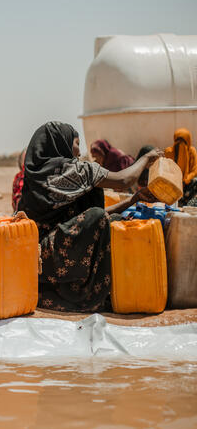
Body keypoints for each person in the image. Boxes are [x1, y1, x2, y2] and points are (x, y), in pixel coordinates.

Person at [18, 121, 161, 313]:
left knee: (115, 221)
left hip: (39, 257)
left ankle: (113, 289)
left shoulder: (35, 176)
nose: (79, 150)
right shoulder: (73, 171)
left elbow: (87, 222)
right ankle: (87, 294)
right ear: (62, 143)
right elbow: (124, 180)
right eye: (76, 143)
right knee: (100, 217)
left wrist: (132, 200)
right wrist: (145, 158)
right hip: (46, 259)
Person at [164, 128, 197, 206]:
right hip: (173, 183)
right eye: (178, 140)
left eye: (183, 141)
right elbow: (166, 170)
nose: (180, 143)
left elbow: (195, 170)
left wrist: (186, 179)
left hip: (188, 183)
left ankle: (189, 205)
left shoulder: (191, 151)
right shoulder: (169, 152)